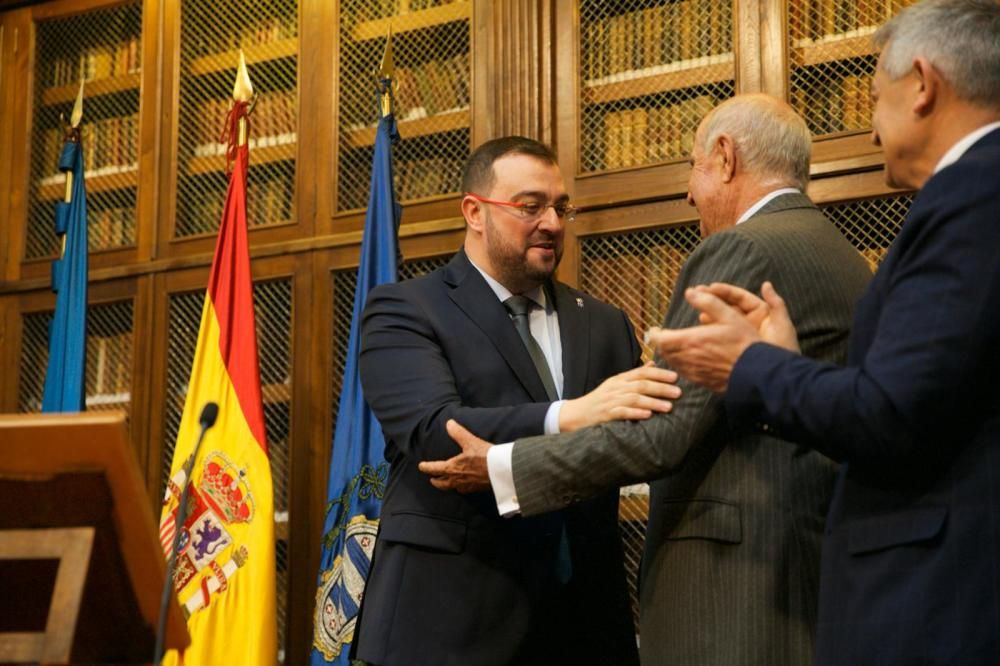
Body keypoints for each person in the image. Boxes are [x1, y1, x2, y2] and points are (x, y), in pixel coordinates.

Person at [420, 95, 872, 665]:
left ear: (726, 158)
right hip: (814, 565)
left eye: (693, 166)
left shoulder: (740, 247)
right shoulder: (841, 253)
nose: (688, 191)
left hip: (738, 592)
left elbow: (662, 430)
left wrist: (506, 467)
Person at [648, 1, 1000, 664]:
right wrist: (784, 360)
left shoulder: (973, 196)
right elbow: (921, 398)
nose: (869, 132)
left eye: (873, 98)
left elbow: (892, 417)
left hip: (941, 599)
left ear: (922, 84)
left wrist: (752, 365)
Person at [352, 136, 679, 666]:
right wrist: (573, 413)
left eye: (561, 207)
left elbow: (633, 446)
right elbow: (437, 433)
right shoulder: (404, 309)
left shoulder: (603, 322)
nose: (552, 222)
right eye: (530, 206)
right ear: (474, 212)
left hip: (586, 626)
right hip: (452, 621)